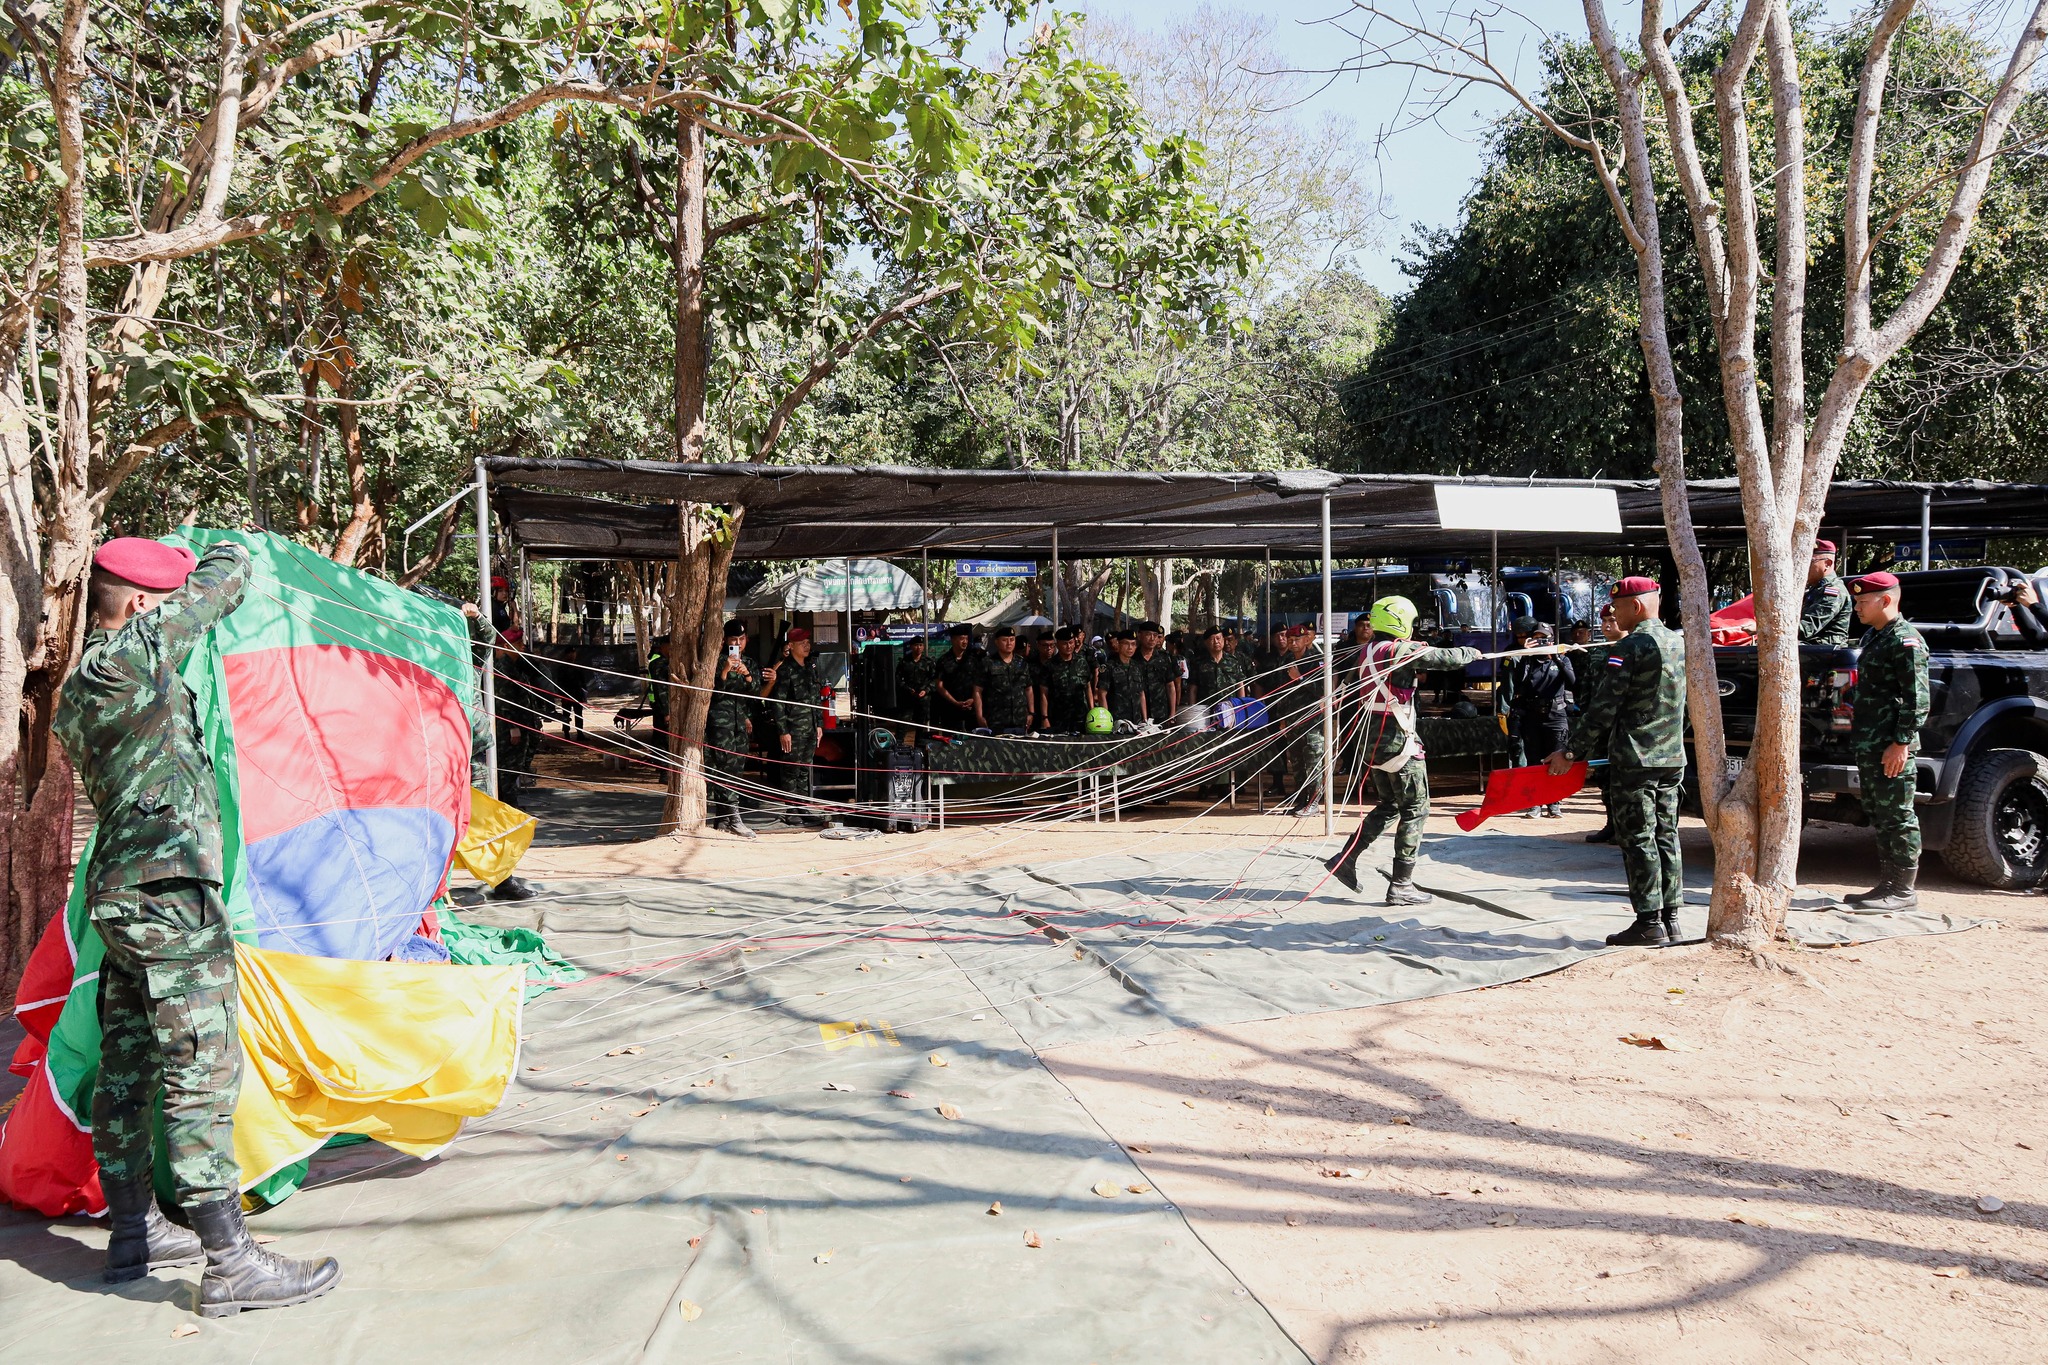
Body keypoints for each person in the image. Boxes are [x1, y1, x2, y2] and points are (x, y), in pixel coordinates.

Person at [54, 536, 341, 1312]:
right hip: (168, 893)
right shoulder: (129, 655)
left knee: (129, 1063)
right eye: (161, 602)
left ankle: (133, 1232)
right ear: (140, 604)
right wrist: (229, 547)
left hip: (123, 895)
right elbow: (217, 587)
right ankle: (229, 1261)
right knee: (201, 1063)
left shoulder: (78, 692)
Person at [1548, 576, 1688, 947]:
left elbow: (1603, 708)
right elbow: (1689, 705)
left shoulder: (1630, 647)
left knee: (1638, 838)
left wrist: (1571, 751)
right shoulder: (1680, 643)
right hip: (1672, 756)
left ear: (1636, 606)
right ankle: (1672, 919)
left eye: (1617, 608)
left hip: (1635, 758)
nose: (1614, 614)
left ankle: (1648, 922)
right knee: (1666, 834)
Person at [1325, 597, 1481, 905]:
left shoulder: (1368, 650)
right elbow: (1445, 658)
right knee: (1416, 808)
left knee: (1390, 805)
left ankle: (1345, 860)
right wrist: (1471, 652)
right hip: (1398, 744)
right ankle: (1401, 884)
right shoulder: (1399, 650)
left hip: (1372, 745)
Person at [1841, 570, 1931, 910]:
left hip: (1891, 745)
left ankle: (1903, 890)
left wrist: (1901, 743)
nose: (1857, 608)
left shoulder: (1905, 641)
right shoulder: (1874, 636)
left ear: (1886, 601)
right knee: (1878, 812)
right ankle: (1888, 884)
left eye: (1863, 601)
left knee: (1898, 815)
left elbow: (1917, 700)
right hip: (1871, 743)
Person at [1503, 617, 1576, 816]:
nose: (1540, 642)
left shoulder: (1561, 659)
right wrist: (1526, 654)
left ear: (1551, 640)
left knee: (1556, 759)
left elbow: (1572, 681)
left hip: (1556, 716)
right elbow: (1518, 683)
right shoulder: (1528, 661)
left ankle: (1554, 802)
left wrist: (1556, 656)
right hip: (1532, 717)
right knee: (1534, 761)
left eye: (1544, 638)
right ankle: (1535, 802)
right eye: (1536, 638)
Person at [764, 626, 827, 821]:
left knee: (804, 769)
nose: (807, 646)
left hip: (810, 728)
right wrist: (783, 731)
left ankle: (803, 808)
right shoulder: (785, 670)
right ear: (791, 646)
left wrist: (819, 724)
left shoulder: (809, 669)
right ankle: (791, 810)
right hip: (793, 729)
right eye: (802, 643)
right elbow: (778, 703)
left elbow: (815, 699)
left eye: (808, 642)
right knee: (790, 769)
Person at [707, 619, 761, 838]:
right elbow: (712, 694)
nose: (738, 643)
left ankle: (722, 818)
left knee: (736, 770)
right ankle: (735, 818)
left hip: (741, 723)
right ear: (725, 641)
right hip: (721, 723)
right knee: (724, 768)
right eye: (733, 640)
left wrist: (747, 674)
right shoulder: (716, 661)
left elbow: (756, 693)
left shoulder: (749, 662)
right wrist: (725, 671)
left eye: (741, 639)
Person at [1266, 624, 1325, 817]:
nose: (1293, 643)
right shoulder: (1287, 661)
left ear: (1306, 640)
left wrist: (1299, 678)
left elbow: (1322, 691)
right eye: (1290, 640)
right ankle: (1302, 799)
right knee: (1297, 763)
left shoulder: (1316, 661)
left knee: (1313, 761)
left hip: (1312, 721)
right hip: (1292, 720)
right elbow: (1282, 693)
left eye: (1297, 639)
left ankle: (1314, 802)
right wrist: (1282, 719)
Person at [978, 625, 1033, 735]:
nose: (1009, 643)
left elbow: (1028, 689)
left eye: (1012, 640)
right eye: (1004, 640)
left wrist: (1031, 712)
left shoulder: (1022, 663)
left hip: (1020, 720)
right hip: (996, 720)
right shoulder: (987, 662)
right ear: (997, 642)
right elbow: (977, 690)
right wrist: (979, 715)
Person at [1040, 627, 1095, 733]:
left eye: (1071, 642)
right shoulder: (1050, 666)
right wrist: (1044, 718)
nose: (1069, 646)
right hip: (1058, 717)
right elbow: (1043, 693)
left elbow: (1088, 688)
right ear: (1057, 645)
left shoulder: (1082, 662)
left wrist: (1092, 711)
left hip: (1081, 716)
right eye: (1065, 644)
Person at [1800, 540, 1854, 645]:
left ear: (1827, 564)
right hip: (1810, 647)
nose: (1803, 567)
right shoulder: (1815, 588)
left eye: (1809, 562)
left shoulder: (1833, 591)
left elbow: (1807, 629)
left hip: (1825, 649)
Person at [932, 624, 984, 733]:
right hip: (950, 710)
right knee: (951, 740)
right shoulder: (944, 660)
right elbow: (939, 686)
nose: (965, 642)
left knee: (973, 739)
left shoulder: (974, 659)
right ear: (953, 640)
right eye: (961, 638)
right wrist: (955, 702)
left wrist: (973, 699)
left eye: (966, 639)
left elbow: (980, 683)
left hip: (972, 709)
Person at [1095, 630, 1149, 726]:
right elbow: (1102, 694)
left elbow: (1141, 694)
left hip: (1136, 722)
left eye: (1133, 644)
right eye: (1126, 644)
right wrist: (1106, 721)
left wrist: (1145, 719)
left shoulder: (1137, 667)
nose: (1130, 648)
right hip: (1116, 722)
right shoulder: (1108, 667)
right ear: (1118, 644)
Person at [1134, 620, 1180, 722]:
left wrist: (1172, 713)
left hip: (1161, 712)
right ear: (1139, 635)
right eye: (1148, 635)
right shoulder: (1133, 658)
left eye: (1155, 635)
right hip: (1138, 714)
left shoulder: (1164, 658)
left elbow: (1170, 686)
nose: (1152, 638)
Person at [896, 632, 937, 733]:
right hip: (907, 698)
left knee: (921, 727)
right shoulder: (904, 662)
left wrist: (926, 690)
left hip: (923, 699)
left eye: (921, 645)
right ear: (911, 646)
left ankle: (920, 743)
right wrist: (907, 688)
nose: (918, 647)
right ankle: (899, 742)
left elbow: (935, 679)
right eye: (916, 645)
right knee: (902, 725)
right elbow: (898, 678)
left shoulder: (928, 662)